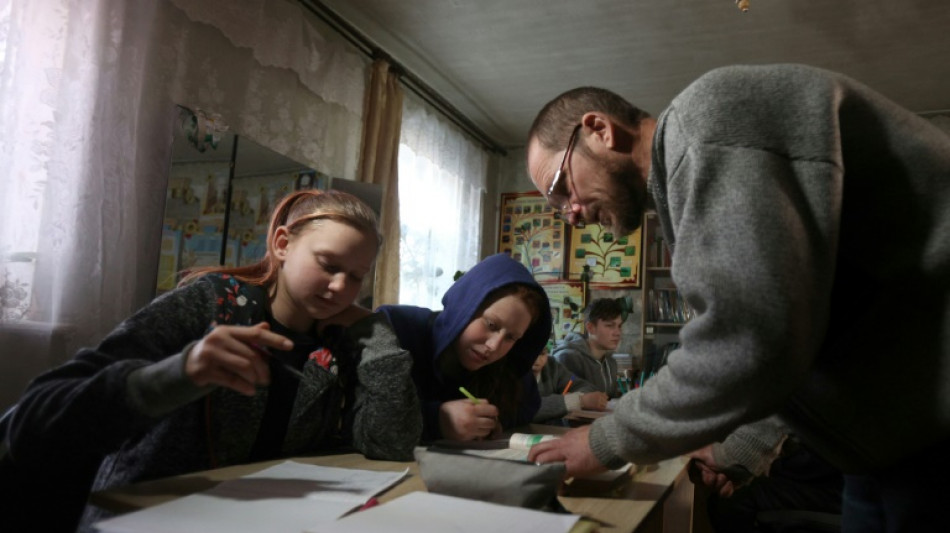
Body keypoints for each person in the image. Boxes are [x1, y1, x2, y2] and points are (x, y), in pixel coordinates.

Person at [522, 64, 950, 532]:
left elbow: (748, 339)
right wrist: (741, 450)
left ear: (600, 130)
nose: (572, 215)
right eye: (557, 208)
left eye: (563, 186)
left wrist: (602, 442)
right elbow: (799, 338)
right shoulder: (684, 181)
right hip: (885, 448)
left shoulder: (707, 120)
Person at [0, 190, 422, 532]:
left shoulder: (340, 342)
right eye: (329, 265)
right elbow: (37, 415)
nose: (339, 287)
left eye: (356, 277)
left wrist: (377, 333)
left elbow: (390, 445)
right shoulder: (212, 303)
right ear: (281, 244)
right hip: (147, 523)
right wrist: (179, 372)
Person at [377, 253, 553, 442]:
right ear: (465, 306)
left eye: (511, 337)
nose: (494, 346)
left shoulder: (508, 366)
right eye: (491, 325)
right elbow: (363, 415)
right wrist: (436, 420)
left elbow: (526, 408)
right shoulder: (396, 328)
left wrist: (491, 422)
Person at [552, 297, 625, 398]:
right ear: (590, 328)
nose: (618, 333)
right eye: (610, 326)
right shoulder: (569, 358)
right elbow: (563, 403)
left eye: (619, 326)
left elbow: (609, 400)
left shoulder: (611, 362)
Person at [532, 341, 609, 424]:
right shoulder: (517, 371)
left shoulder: (552, 366)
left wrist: (581, 398)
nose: (537, 359)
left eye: (542, 353)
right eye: (531, 353)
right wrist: (578, 400)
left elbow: (584, 386)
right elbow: (526, 408)